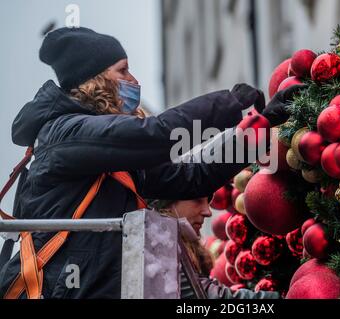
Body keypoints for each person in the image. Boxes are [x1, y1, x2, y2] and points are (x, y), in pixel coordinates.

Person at [0, 27, 300, 299]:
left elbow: (193, 175)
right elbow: (156, 136)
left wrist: (261, 125)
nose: (134, 81)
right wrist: (227, 104)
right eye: (123, 70)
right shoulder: (65, 132)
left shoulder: (105, 152)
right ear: (95, 81)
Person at [154, 198, 279, 299]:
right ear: (167, 204)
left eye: (208, 202)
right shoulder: (158, 251)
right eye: (197, 200)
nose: (208, 212)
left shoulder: (180, 248)